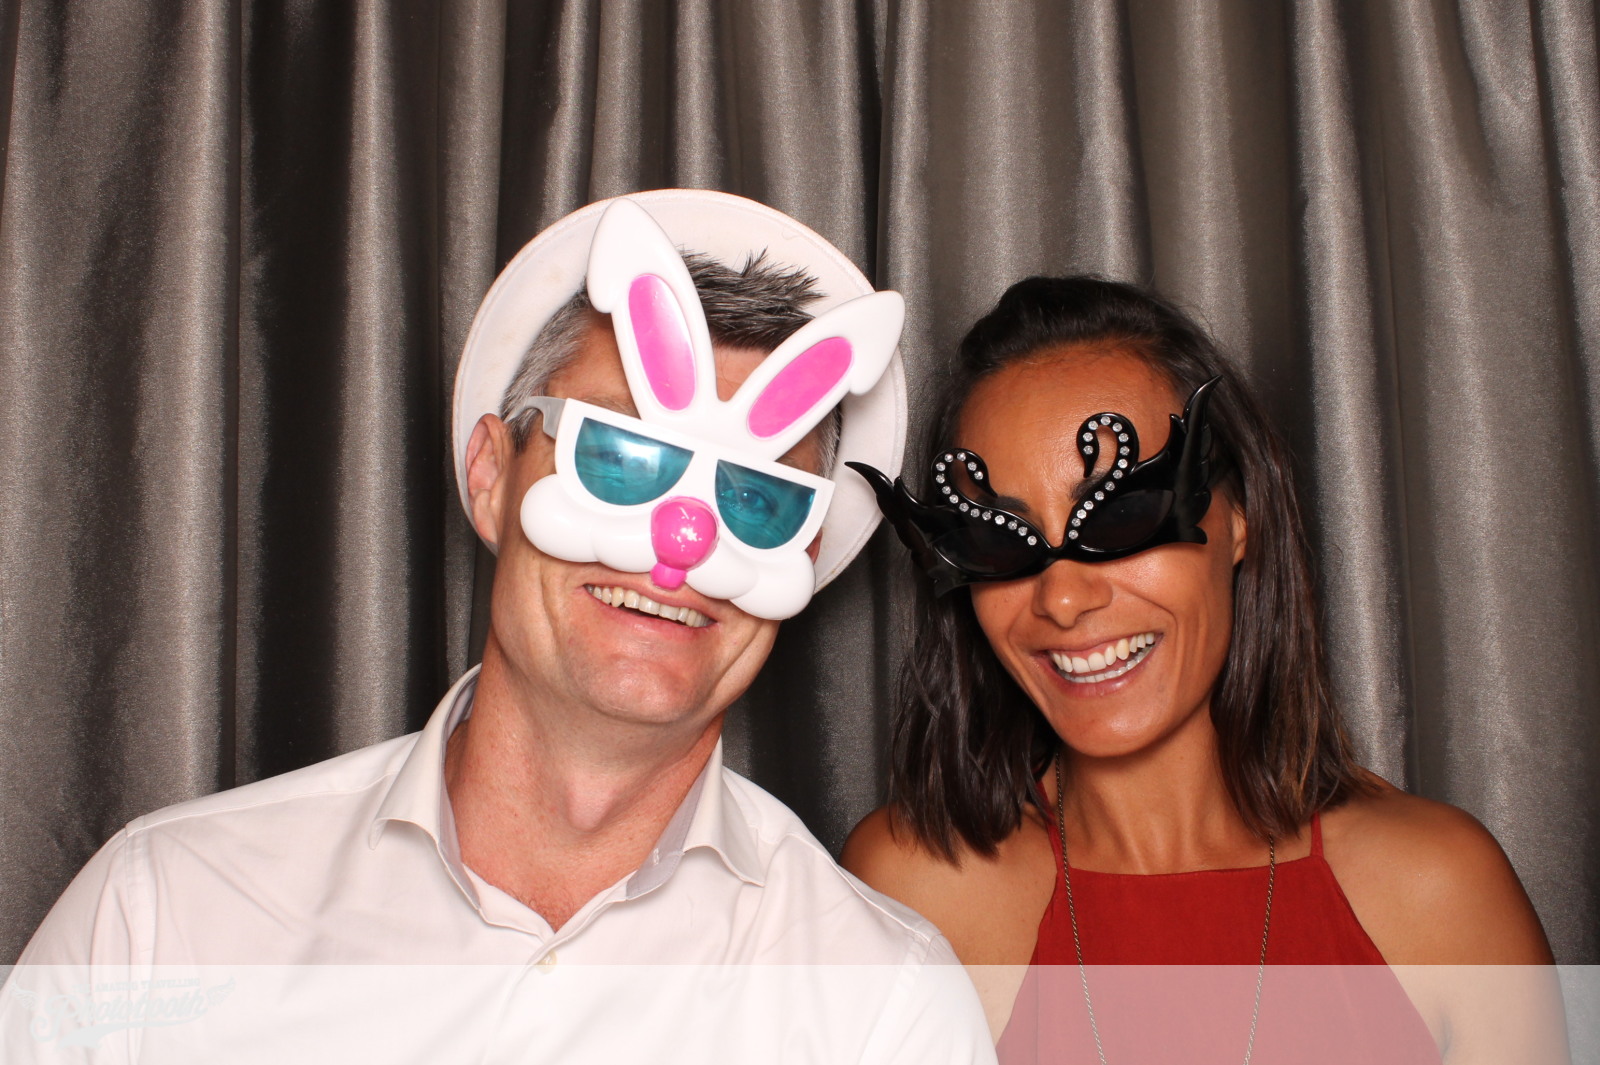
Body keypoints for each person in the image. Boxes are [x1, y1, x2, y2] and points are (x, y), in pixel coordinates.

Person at [1, 191, 995, 1064]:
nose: (679, 548)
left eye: (756, 499)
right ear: (490, 476)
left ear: (804, 557)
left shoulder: (883, 1008)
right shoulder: (162, 914)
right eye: (620, 458)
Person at [841, 276, 1567, 1063]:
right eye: (997, 539)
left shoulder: (1440, 892)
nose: (1063, 596)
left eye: (1123, 513)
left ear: (1240, 517)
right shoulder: (915, 889)